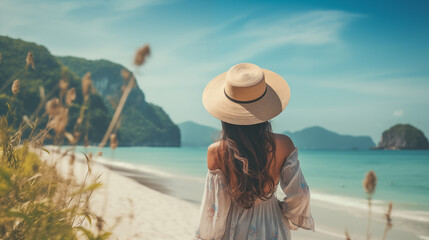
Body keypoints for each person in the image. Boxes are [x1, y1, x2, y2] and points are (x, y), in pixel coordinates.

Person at [194, 63, 314, 240]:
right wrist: (284, 212)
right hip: (271, 224)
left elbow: (213, 209)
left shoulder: (216, 152)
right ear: (265, 108)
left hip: (232, 228)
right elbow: (301, 196)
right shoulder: (284, 144)